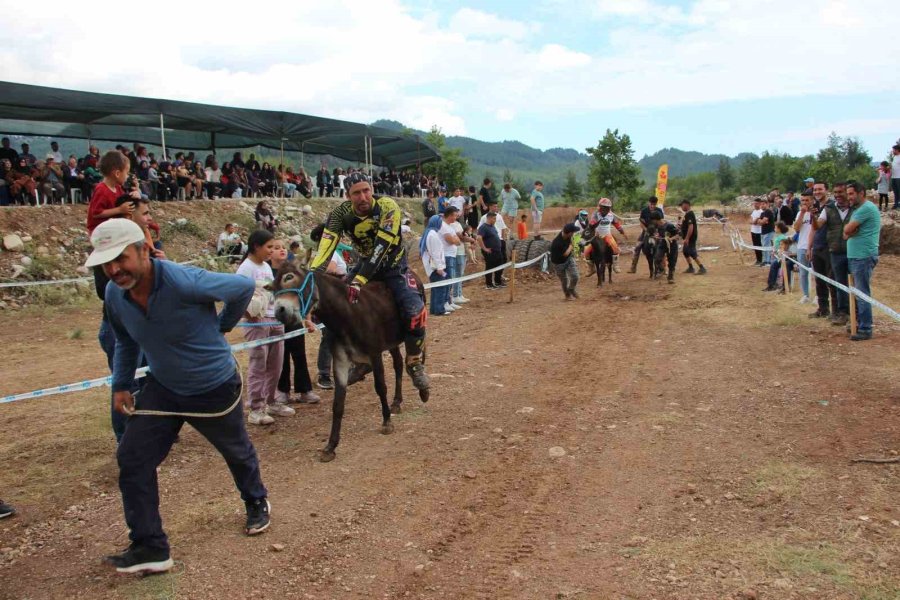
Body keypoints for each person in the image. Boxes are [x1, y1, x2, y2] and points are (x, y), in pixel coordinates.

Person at [88, 219, 271, 575]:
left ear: (143, 249)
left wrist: (222, 326)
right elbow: (125, 340)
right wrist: (121, 384)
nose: (113, 270)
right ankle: (150, 546)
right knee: (133, 456)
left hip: (213, 385)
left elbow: (241, 287)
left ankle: (256, 500)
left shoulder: (183, 281)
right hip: (164, 388)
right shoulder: (114, 294)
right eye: (105, 263)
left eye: (120, 259)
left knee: (236, 451)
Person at [309, 172, 430, 391]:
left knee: (414, 310)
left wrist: (359, 280)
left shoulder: (387, 206)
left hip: (393, 265)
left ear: (372, 189)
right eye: (356, 193)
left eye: (366, 190)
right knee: (337, 309)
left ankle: (414, 361)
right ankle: (362, 359)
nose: (363, 197)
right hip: (364, 264)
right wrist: (310, 279)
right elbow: (325, 248)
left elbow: (380, 249)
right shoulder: (340, 214)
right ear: (348, 195)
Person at [237, 230, 294, 425]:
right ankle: (256, 407)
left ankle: (272, 401)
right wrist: (249, 313)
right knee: (258, 364)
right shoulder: (245, 269)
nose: (271, 251)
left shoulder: (266, 268)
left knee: (275, 364)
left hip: (274, 319)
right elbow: (239, 295)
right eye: (269, 247)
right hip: (257, 322)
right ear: (256, 247)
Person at [270, 240, 320, 405]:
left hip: (294, 318)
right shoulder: (267, 271)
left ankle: (305, 390)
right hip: (276, 320)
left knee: (299, 354)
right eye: (276, 248)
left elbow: (303, 295)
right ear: (269, 252)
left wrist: (307, 319)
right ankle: (282, 390)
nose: (282, 250)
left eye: (283, 247)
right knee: (281, 356)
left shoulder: (293, 272)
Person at [308, 224, 346, 389]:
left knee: (338, 336)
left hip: (337, 300)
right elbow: (330, 272)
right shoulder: (325, 254)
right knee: (329, 337)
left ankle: (338, 370)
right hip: (329, 302)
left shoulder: (332, 252)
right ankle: (324, 374)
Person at [844, 181, 881, 341]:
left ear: (861, 193)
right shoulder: (859, 210)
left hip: (863, 256)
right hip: (857, 255)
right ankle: (860, 323)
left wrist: (850, 231)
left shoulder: (865, 208)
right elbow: (846, 233)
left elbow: (846, 230)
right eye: (848, 194)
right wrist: (850, 231)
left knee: (862, 293)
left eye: (851, 193)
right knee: (859, 292)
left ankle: (865, 328)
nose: (849, 197)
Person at [815, 182, 853, 325]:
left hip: (853, 251)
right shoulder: (828, 208)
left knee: (855, 284)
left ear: (847, 193)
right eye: (835, 192)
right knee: (839, 283)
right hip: (836, 251)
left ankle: (856, 314)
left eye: (840, 192)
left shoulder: (855, 208)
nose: (837, 195)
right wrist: (813, 217)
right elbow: (818, 225)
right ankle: (842, 313)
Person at [808, 181, 837, 319]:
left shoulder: (832, 206)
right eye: (815, 190)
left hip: (829, 247)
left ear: (826, 190)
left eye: (820, 189)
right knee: (819, 281)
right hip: (817, 247)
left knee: (832, 280)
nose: (817, 192)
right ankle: (823, 308)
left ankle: (837, 311)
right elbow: (813, 228)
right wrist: (809, 246)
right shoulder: (814, 207)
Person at [584, 198, 627, 272]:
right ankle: (591, 268)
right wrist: (592, 224)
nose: (604, 210)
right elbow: (592, 222)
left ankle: (615, 265)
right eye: (603, 207)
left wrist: (623, 232)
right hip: (597, 236)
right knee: (586, 251)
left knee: (615, 248)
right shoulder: (596, 214)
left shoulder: (611, 215)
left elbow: (616, 224)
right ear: (600, 207)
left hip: (607, 235)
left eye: (606, 208)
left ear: (609, 208)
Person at [421, 214, 450, 316]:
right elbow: (435, 253)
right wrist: (440, 268)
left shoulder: (430, 233)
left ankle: (434, 309)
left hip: (432, 267)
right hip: (435, 267)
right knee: (440, 288)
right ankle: (439, 309)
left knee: (436, 288)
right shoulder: (433, 234)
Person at [629, 196, 661, 273]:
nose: (652, 206)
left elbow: (660, 222)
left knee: (662, 246)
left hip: (656, 231)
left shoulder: (659, 211)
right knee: (638, 246)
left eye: (654, 204)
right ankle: (633, 267)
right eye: (651, 204)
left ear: (656, 204)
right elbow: (641, 223)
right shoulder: (644, 211)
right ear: (649, 203)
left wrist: (657, 232)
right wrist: (646, 230)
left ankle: (663, 267)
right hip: (646, 231)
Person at [439, 207, 462, 313]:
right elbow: (452, 240)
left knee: (451, 280)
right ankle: (445, 302)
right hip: (446, 256)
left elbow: (457, 240)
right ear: (449, 215)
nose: (456, 217)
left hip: (451, 255)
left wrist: (456, 240)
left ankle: (450, 301)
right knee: (447, 280)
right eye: (454, 215)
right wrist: (455, 240)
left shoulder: (450, 226)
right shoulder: (443, 226)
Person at [793, 191, 814, 303]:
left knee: (816, 273)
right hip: (802, 245)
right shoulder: (799, 213)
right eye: (803, 200)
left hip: (815, 246)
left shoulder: (816, 212)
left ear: (812, 200)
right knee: (803, 273)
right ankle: (805, 295)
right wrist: (801, 213)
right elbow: (796, 228)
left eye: (807, 200)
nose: (805, 202)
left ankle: (818, 296)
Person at [550, 223, 580, 299]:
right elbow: (566, 253)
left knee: (575, 276)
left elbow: (568, 254)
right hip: (558, 264)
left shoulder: (567, 235)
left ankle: (571, 289)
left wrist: (570, 246)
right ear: (569, 233)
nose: (574, 234)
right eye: (573, 232)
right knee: (564, 280)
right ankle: (567, 295)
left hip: (568, 259)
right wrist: (571, 246)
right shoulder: (557, 243)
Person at [477, 212, 505, 289]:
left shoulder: (492, 227)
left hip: (497, 251)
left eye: (495, 218)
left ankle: (498, 282)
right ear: (489, 218)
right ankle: (489, 284)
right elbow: (479, 238)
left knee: (500, 266)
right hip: (490, 251)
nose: (495, 220)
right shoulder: (483, 227)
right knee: (490, 267)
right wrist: (484, 248)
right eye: (494, 218)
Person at [679, 199, 707, 275]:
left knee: (691, 251)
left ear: (686, 205)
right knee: (685, 252)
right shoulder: (687, 214)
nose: (681, 207)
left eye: (682, 205)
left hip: (690, 237)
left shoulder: (689, 214)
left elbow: (691, 226)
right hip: (687, 237)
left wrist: (687, 238)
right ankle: (691, 267)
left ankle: (702, 268)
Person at [763, 222, 793, 292]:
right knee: (773, 265)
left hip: (784, 257)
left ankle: (782, 286)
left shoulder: (783, 237)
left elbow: (784, 248)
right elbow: (778, 247)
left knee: (777, 265)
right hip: (779, 256)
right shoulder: (778, 236)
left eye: (775, 227)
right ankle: (771, 285)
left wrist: (779, 252)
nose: (774, 229)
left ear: (779, 229)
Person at [758, 197, 776, 265]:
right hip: (763, 232)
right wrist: (761, 221)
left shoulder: (768, 211)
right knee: (764, 246)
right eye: (761, 204)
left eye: (763, 204)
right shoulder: (762, 213)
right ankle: (765, 260)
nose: (762, 205)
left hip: (769, 232)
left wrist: (761, 221)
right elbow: (759, 222)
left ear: (767, 204)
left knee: (767, 246)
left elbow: (762, 221)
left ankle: (767, 261)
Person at [749, 198, 764, 266]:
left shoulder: (761, 212)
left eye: (756, 203)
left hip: (759, 232)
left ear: (760, 204)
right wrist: (755, 221)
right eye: (754, 203)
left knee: (759, 246)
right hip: (753, 231)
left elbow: (758, 222)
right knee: (755, 246)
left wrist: (755, 221)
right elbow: (751, 221)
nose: (755, 205)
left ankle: (761, 260)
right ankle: (758, 259)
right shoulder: (754, 211)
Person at [891, 144, 900, 210]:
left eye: (893, 150)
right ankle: (896, 204)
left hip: (899, 177)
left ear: (897, 150)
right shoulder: (894, 157)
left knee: (899, 191)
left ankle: (899, 204)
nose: (893, 151)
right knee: (895, 191)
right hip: (893, 177)